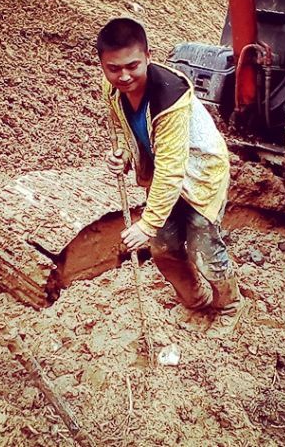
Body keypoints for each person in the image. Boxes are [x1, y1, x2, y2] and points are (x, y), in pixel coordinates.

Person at [96, 17, 247, 337]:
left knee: (203, 247)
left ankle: (230, 305)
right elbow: (126, 129)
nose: (123, 75)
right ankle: (196, 301)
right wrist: (123, 154)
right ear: (103, 65)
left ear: (148, 57)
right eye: (113, 68)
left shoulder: (171, 97)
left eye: (132, 66)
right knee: (163, 248)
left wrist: (147, 224)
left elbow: (171, 169)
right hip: (166, 177)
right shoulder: (113, 87)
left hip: (199, 175)